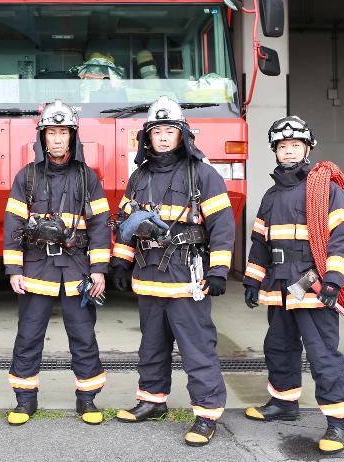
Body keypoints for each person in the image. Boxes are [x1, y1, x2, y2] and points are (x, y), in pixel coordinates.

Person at [110, 96, 235, 447]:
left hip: (186, 279)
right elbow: (126, 223)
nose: (163, 137)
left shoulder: (203, 174)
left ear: (182, 135)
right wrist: (120, 260)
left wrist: (219, 270)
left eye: (170, 131)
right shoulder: (138, 177)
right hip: (148, 277)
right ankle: (152, 401)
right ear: (147, 137)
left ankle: (207, 415)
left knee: (197, 350)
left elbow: (223, 226)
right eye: (157, 131)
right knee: (151, 347)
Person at [242, 115, 344, 455]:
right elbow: (260, 241)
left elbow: (342, 238)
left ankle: (339, 421)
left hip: (313, 288)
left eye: (295, 145)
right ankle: (283, 403)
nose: (288, 151)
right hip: (279, 288)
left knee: (323, 356)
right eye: (282, 146)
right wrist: (252, 279)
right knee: (278, 347)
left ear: (307, 149)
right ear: (274, 152)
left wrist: (334, 280)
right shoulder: (271, 195)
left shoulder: (326, 191)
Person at [2, 100, 111, 425]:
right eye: (52, 132)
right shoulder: (28, 177)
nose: (58, 139)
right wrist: (14, 270)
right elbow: (12, 225)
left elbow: (101, 224)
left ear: (72, 136)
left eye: (64, 132)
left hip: (77, 269)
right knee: (28, 335)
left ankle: (87, 400)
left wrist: (98, 270)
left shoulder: (86, 177)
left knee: (83, 336)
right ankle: (24, 401)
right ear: (43, 137)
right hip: (36, 270)